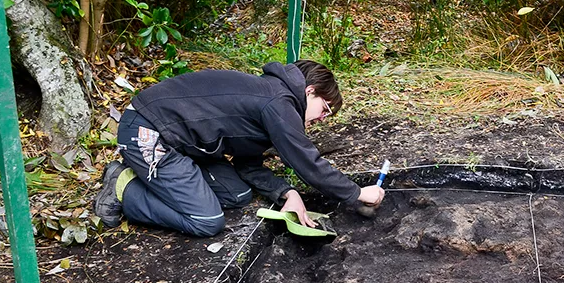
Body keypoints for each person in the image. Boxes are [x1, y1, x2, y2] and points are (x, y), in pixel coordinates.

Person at [93, 60, 384, 237]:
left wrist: (287, 194)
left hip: (185, 143)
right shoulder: (278, 103)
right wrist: (357, 193)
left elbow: (248, 164)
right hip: (148, 130)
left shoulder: (271, 100)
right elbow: (306, 159)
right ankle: (123, 184)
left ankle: (172, 179)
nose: (323, 118)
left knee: (238, 194)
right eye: (326, 109)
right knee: (206, 220)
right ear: (310, 91)